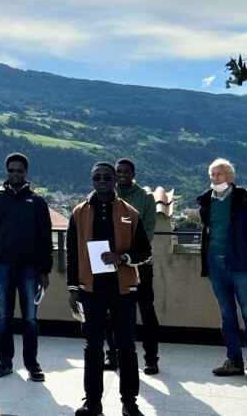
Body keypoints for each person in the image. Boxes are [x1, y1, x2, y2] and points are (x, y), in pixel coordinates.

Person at [67, 162, 151, 416]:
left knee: (126, 346)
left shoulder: (130, 212)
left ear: (115, 180)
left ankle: (130, 403)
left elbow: (145, 252)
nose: (102, 181)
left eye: (106, 177)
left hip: (123, 289)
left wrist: (122, 258)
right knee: (93, 346)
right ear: (92, 180)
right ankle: (92, 402)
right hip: (90, 289)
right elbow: (72, 253)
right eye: (97, 177)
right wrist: (73, 289)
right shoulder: (79, 213)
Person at [0, 153, 52, 382]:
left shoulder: (37, 201)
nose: (15, 174)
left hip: (30, 268)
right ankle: (4, 362)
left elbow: (45, 238)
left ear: (26, 173)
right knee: (3, 316)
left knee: (30, 318)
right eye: (11, 170)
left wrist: (45, 270)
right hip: (1, 266)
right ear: (6, 172)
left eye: (19, 171)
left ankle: (32, 364)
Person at [197, 158, 247, 382]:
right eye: (212, 174)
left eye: (219, 174)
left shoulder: (245, 199)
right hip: (215, 263)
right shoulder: (206, 201)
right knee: (227, 314)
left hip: (242, 264)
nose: (215, 178)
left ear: (230, 177)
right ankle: (234, 361)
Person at [104, 158, 160, 374]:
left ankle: (151, 358)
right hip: (113, 264)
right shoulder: (108, 196)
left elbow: (147, 231)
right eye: (118, 172)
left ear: (133, 173)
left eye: (126, 171)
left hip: (141, 263)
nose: (121, 175)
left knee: (146, 312)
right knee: (111, 313)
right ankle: (113, 355)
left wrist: (125, 255)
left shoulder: (145, 198)